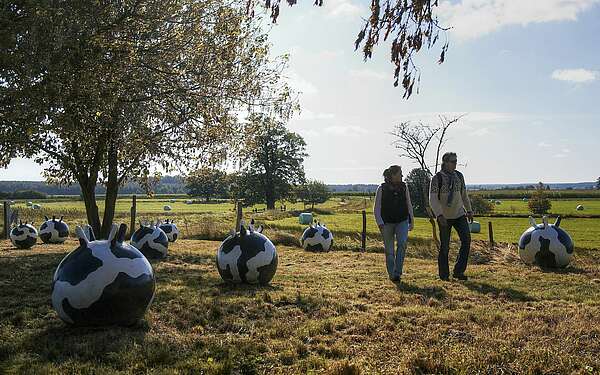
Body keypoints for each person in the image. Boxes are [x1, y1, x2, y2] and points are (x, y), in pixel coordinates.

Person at [429, 152, 474, 281]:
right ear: (445, 162)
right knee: (445, 246)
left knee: (466, 240)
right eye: (453, 161)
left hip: (459, 214)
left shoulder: (459, 176)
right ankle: (444, 275)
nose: (455, 163)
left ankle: (459, 271)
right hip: (444, 217)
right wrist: (439, 215)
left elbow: (464, 195)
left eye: (456, 161)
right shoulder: (436, 178)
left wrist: (469, 210)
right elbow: (432, 199)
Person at [374, 165, 414, 282]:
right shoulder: (381, 189)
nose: (402, 175)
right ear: (392, 175)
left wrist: (411, 220)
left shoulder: (404, 187)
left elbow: (409, 204)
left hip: (402, 220)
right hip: (387, 223)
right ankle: (392, 274)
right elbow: (377, 208)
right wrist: (380, 223)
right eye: (400, 173)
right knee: (389, 251)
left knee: (402, 244)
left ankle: (398, 272)